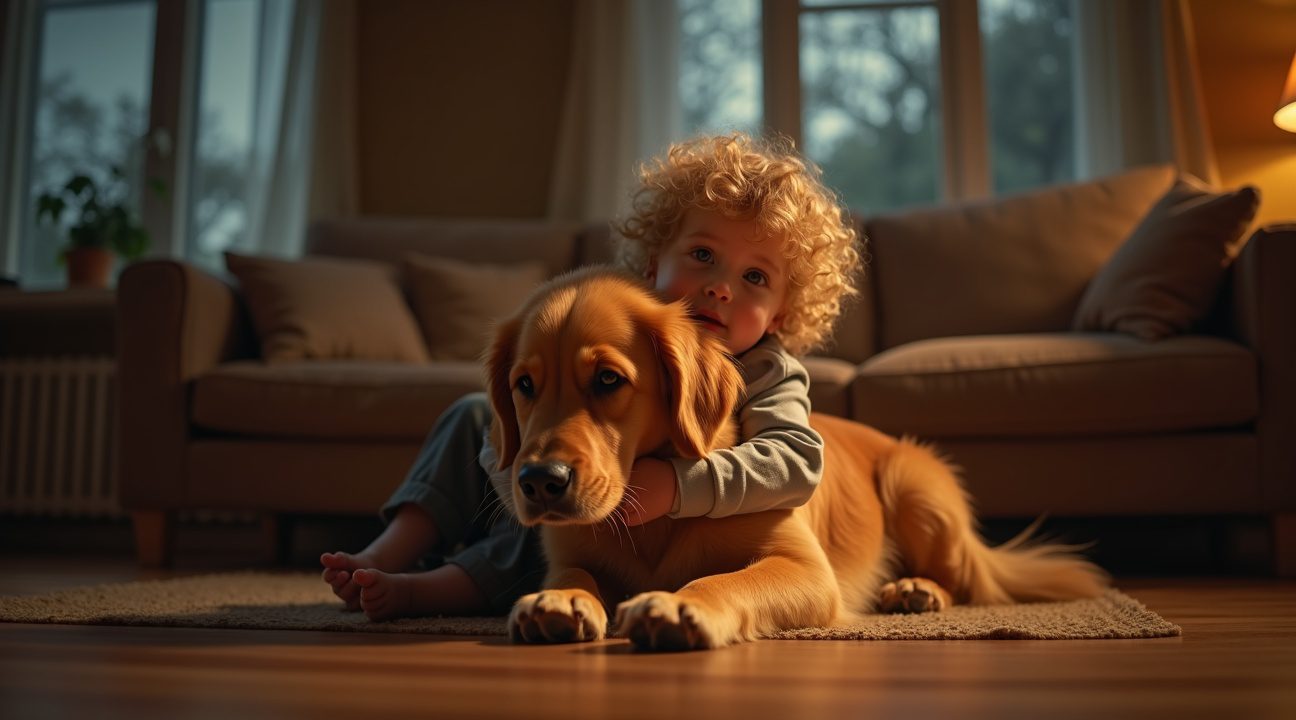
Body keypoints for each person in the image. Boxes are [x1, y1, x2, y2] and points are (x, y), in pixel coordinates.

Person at [320, 132, 863, 621]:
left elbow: (796, 463)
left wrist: (675, 486)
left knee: (519, 550)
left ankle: (432, 586)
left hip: (709, 498)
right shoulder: (627, 324)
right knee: (474, 421)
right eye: (702, 255)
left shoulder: (768, 376)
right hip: (564, 491)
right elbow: (508, 448)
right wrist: (511, 474)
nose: (722, 288)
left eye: (754, 277)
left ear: (782, 315)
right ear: (653, 265)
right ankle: (388, 551)